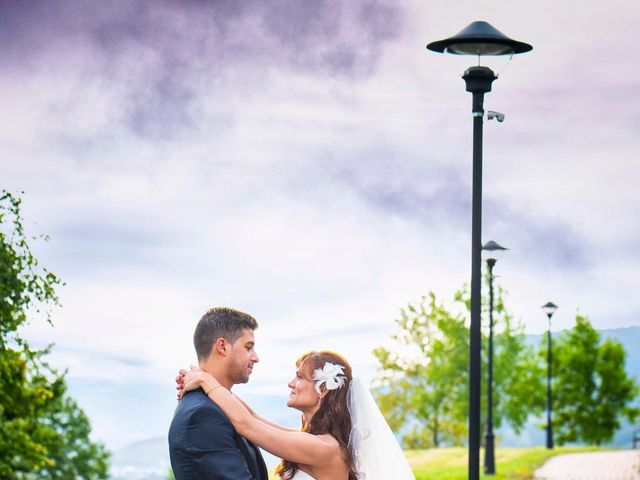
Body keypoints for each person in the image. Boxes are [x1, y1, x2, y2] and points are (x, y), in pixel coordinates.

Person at [178, 350, 415, 480]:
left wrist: (206, 382)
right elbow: (254, 417)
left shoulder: (324, 449)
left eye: (300, 377)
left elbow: (246, 424)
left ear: (322, 390)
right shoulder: (317, 442)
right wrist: (207, 381)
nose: (291, 383)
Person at [168, 307, 269, 480]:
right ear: (222, 346)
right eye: (248, 347)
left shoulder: (217, 404)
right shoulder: (202, 415)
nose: (255, 357)